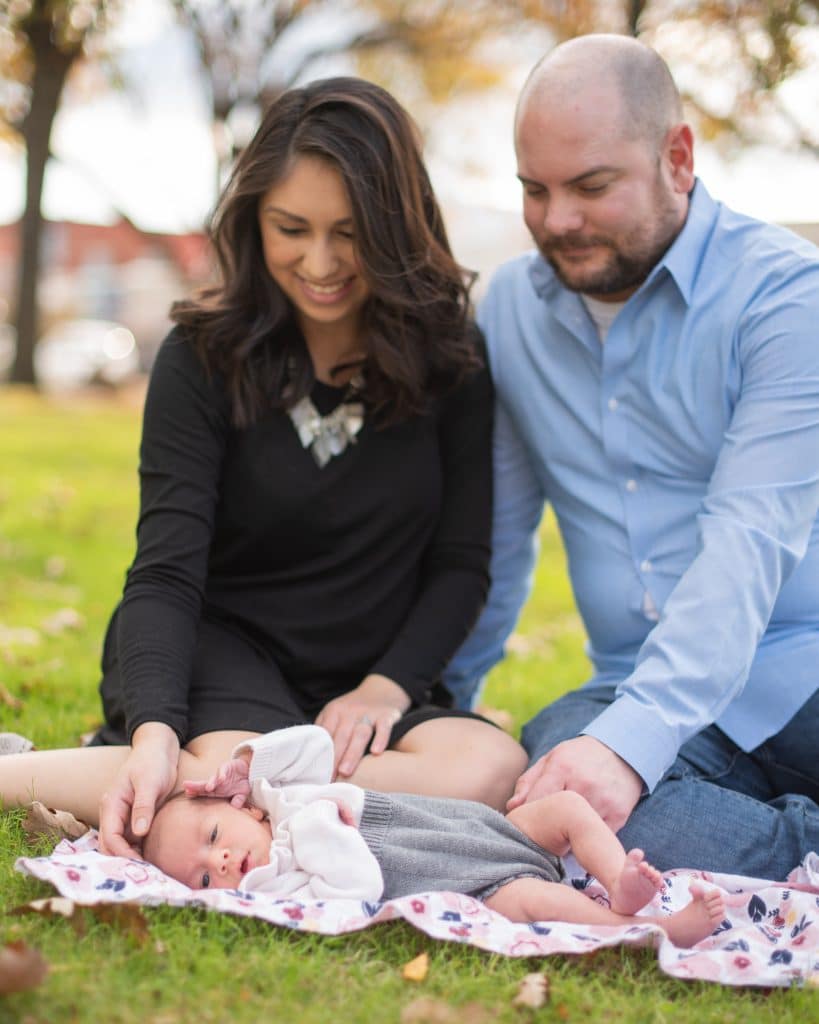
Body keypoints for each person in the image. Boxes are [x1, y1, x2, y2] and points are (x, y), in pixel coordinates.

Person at [0, 77, 527, 856]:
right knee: (248, 756)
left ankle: (218, 776)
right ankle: (61, 774)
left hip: (364, 681)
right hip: (224, 650)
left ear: (395, 227)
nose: (320, 263)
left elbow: (461, 565)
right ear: (254, 220)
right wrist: (153, 732)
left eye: (350, 233)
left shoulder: (451, 361)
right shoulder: (200, 356)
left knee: (489, 766)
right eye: (292, 228)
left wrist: (385, 689)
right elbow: (166, 570)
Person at [444, 34, 819, 879]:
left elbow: (747, 541)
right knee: (556, 783)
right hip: (627, 686)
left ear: (676, 158)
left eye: (590, 186)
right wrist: (442, 707)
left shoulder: (788, 298)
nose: (557, 220)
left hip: (801, 672)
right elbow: (497, 543)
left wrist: (631, 745)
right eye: (533, 190)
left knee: (598, 789)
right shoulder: (508, 311)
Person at [143, 725, 726, 948]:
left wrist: (252, 761)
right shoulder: (283, 885)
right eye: (201, 876)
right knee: (538, 902)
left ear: (241, 807)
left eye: (214, 832)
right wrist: (325, 834)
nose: (219, 859)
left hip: (490, 828)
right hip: (482, 880)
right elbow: (357, 888)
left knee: (568, 808)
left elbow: (316, 746)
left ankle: (616, 880)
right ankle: (647, 927)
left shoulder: (281, 796)